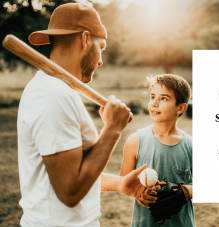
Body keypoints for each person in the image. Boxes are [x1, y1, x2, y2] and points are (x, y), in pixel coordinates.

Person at [17, 3, 156, 227]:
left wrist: (120, 184)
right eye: (101, 46)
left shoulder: (55, 90)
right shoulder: (53, 94)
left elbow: (73, 171)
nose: (100, 60)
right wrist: (112, 129)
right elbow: (70, 191)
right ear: (84, 39)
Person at [120, 74, 195, 226]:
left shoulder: (191, 145)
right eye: (152, 96)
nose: (154, 103)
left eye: (164, 98)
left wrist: (186, 192)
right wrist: (139, 192)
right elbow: (123, 184)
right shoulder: (135, 141)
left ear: (180, 108)